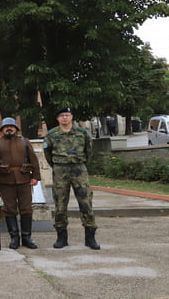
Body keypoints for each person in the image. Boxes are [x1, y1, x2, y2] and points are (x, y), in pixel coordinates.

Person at [43, 107, 100, 250]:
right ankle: (61, 238)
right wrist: (57, 165)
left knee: (86, 202)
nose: (64, 118)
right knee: (60, 204)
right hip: (60, 170)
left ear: (72, 117)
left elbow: (89, 151)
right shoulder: (51, 135)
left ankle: (90, 237)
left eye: (67, 115)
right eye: (61, 116)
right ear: (57, 118)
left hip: (79, 169)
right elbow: (47, 154)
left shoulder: (82, 133)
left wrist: (80, 162)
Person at [0, 117, 41, 250]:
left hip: (24, 179)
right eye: (6, 127)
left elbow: (33, 159)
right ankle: (14, 237)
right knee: (9, 209)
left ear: (16, 128)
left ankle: (27, 237)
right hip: (5, 180)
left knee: (26, 208)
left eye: (11, 126)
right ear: (2, 129)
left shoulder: (24, 141)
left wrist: (36, 176)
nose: (9, 128)